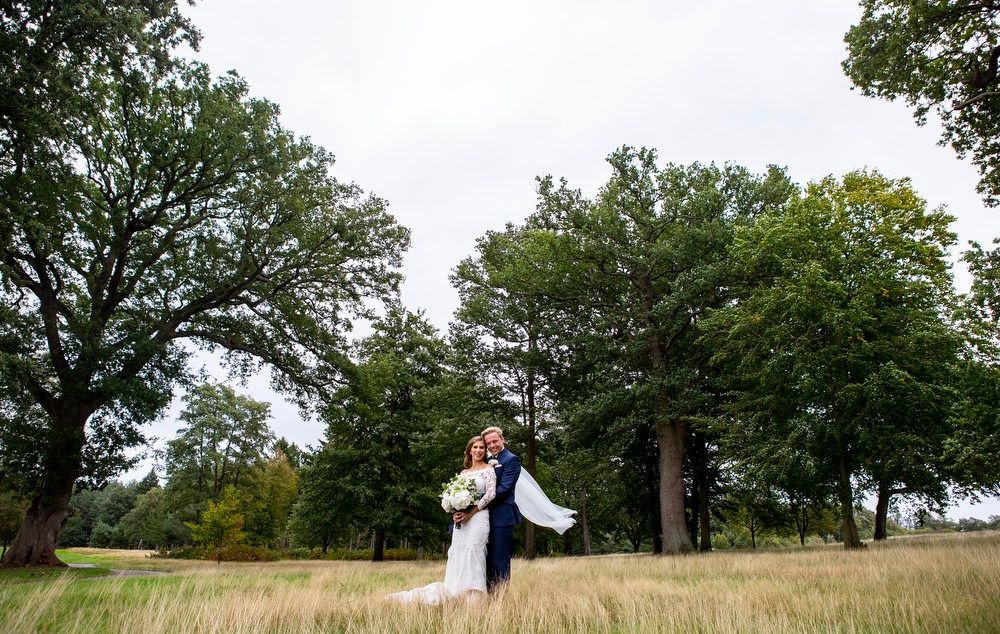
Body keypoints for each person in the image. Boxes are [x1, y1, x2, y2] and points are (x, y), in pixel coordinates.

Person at [387, 436, 495, 604]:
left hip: (479, 517)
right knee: (458, 552)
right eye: (475, 447)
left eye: (482, 447)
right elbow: (455, 496)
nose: (478, 450)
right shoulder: (463, 473)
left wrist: (471, 512)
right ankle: (455, 594)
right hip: (461, 520)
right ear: (469, 451)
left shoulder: (489, 469)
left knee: (474, 551)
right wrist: (455, 512)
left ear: (485, 451)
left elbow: (490, 494)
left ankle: (473, 598)